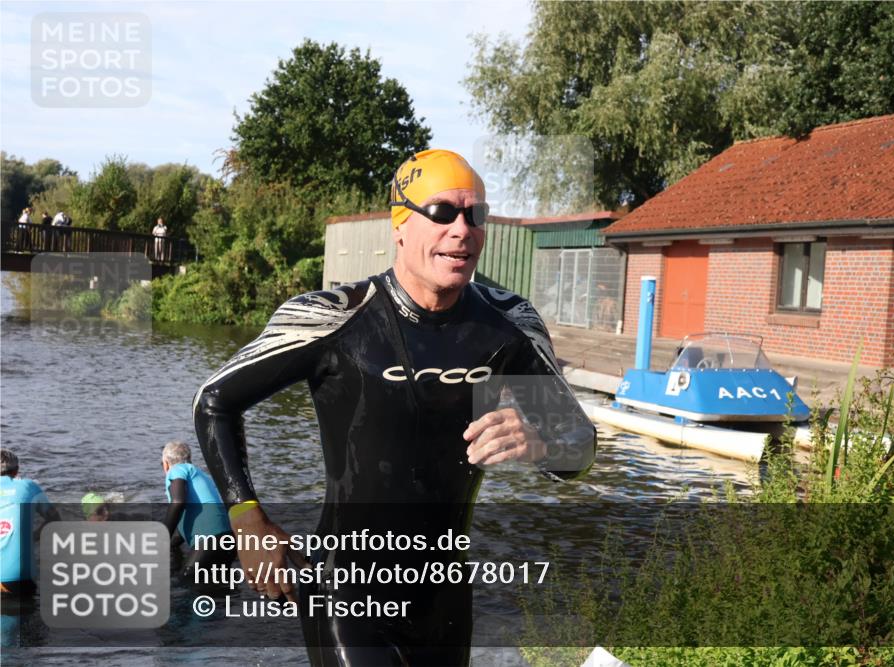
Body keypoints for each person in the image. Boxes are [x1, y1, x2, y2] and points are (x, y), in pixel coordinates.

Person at [194, 148, 597, 666]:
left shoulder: (507, 326)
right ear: (400, 225)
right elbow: (214, 403)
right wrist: (247, 520)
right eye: (443, 212)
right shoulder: (336, 319)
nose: (463, 229)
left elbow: (580, 447)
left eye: (476, 214)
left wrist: (541, 443)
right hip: (346, 590)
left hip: (444, 596)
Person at [161, 441, 236, 581]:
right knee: (217, 588)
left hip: (210, 540)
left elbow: (178, 502)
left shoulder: (177, 470)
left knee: (185, 582)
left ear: (165, 463)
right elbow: (180, 531)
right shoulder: (201, 476)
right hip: (229, 540)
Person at [0, 449, 60, 596]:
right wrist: (34, 536)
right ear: (17, 471)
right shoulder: (29, 487)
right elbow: (55, 520)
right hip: (19, 577)